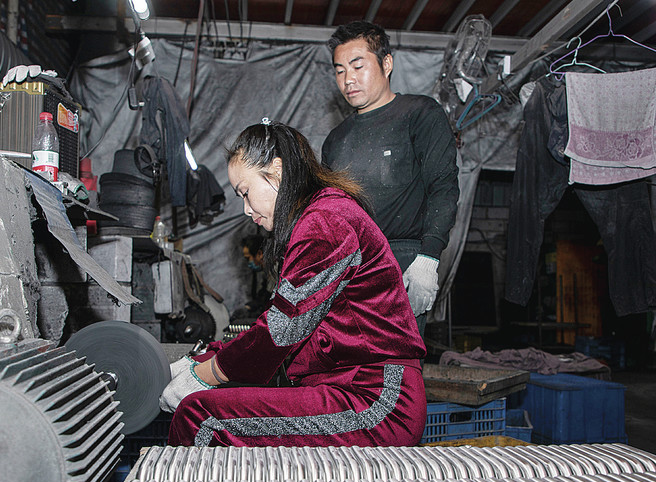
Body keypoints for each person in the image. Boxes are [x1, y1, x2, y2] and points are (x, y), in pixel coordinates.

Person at [158, 120, 427, 448]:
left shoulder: (325, 223)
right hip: (345, 389)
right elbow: (283, 320)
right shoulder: (320, 216)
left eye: (245, 192)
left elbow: (281, 330)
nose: (245, 209)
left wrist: (206, 374)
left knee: (199, 414)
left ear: (276, 170)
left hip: (377, 401)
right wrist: (201, 359)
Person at [321, 21, 459, 339]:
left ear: (386, 63)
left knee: (394, 376)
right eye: (339, 70)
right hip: (349, 268)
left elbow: (443, 185)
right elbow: (330, 212)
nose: (348, 79)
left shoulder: (420, 114)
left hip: (402, 261)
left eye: (357, 66)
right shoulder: (335, 140)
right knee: (348, 372)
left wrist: (428, 258)